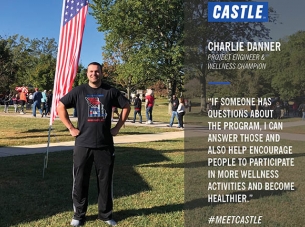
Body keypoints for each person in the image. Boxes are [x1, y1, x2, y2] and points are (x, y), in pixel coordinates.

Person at [57, 62, 130, 227]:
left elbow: (126, 105)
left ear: (101, 73)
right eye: (91, 71)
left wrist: (117, 127)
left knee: (105, 182)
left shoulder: (110, 91)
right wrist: (70, 128)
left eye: (97, 71)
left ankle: (105, 215)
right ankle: (79, 215)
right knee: (80, 180)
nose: (94, 74)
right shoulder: (79, 91)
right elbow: (60, 106)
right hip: (83, 144)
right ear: (87, 74)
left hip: (105, 144)